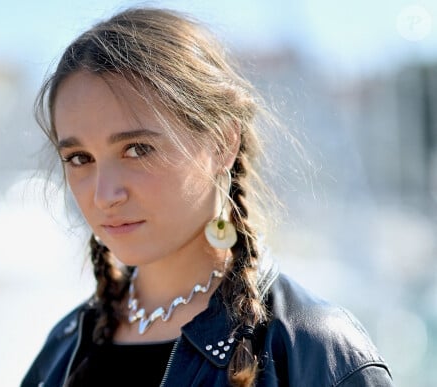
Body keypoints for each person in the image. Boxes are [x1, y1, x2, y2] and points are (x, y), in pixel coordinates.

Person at [21, 7, 393, 387]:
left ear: (222, 143)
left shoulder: (315, 353)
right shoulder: (61, 352)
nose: (104, 195)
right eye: (79, 158)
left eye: (137, 149)